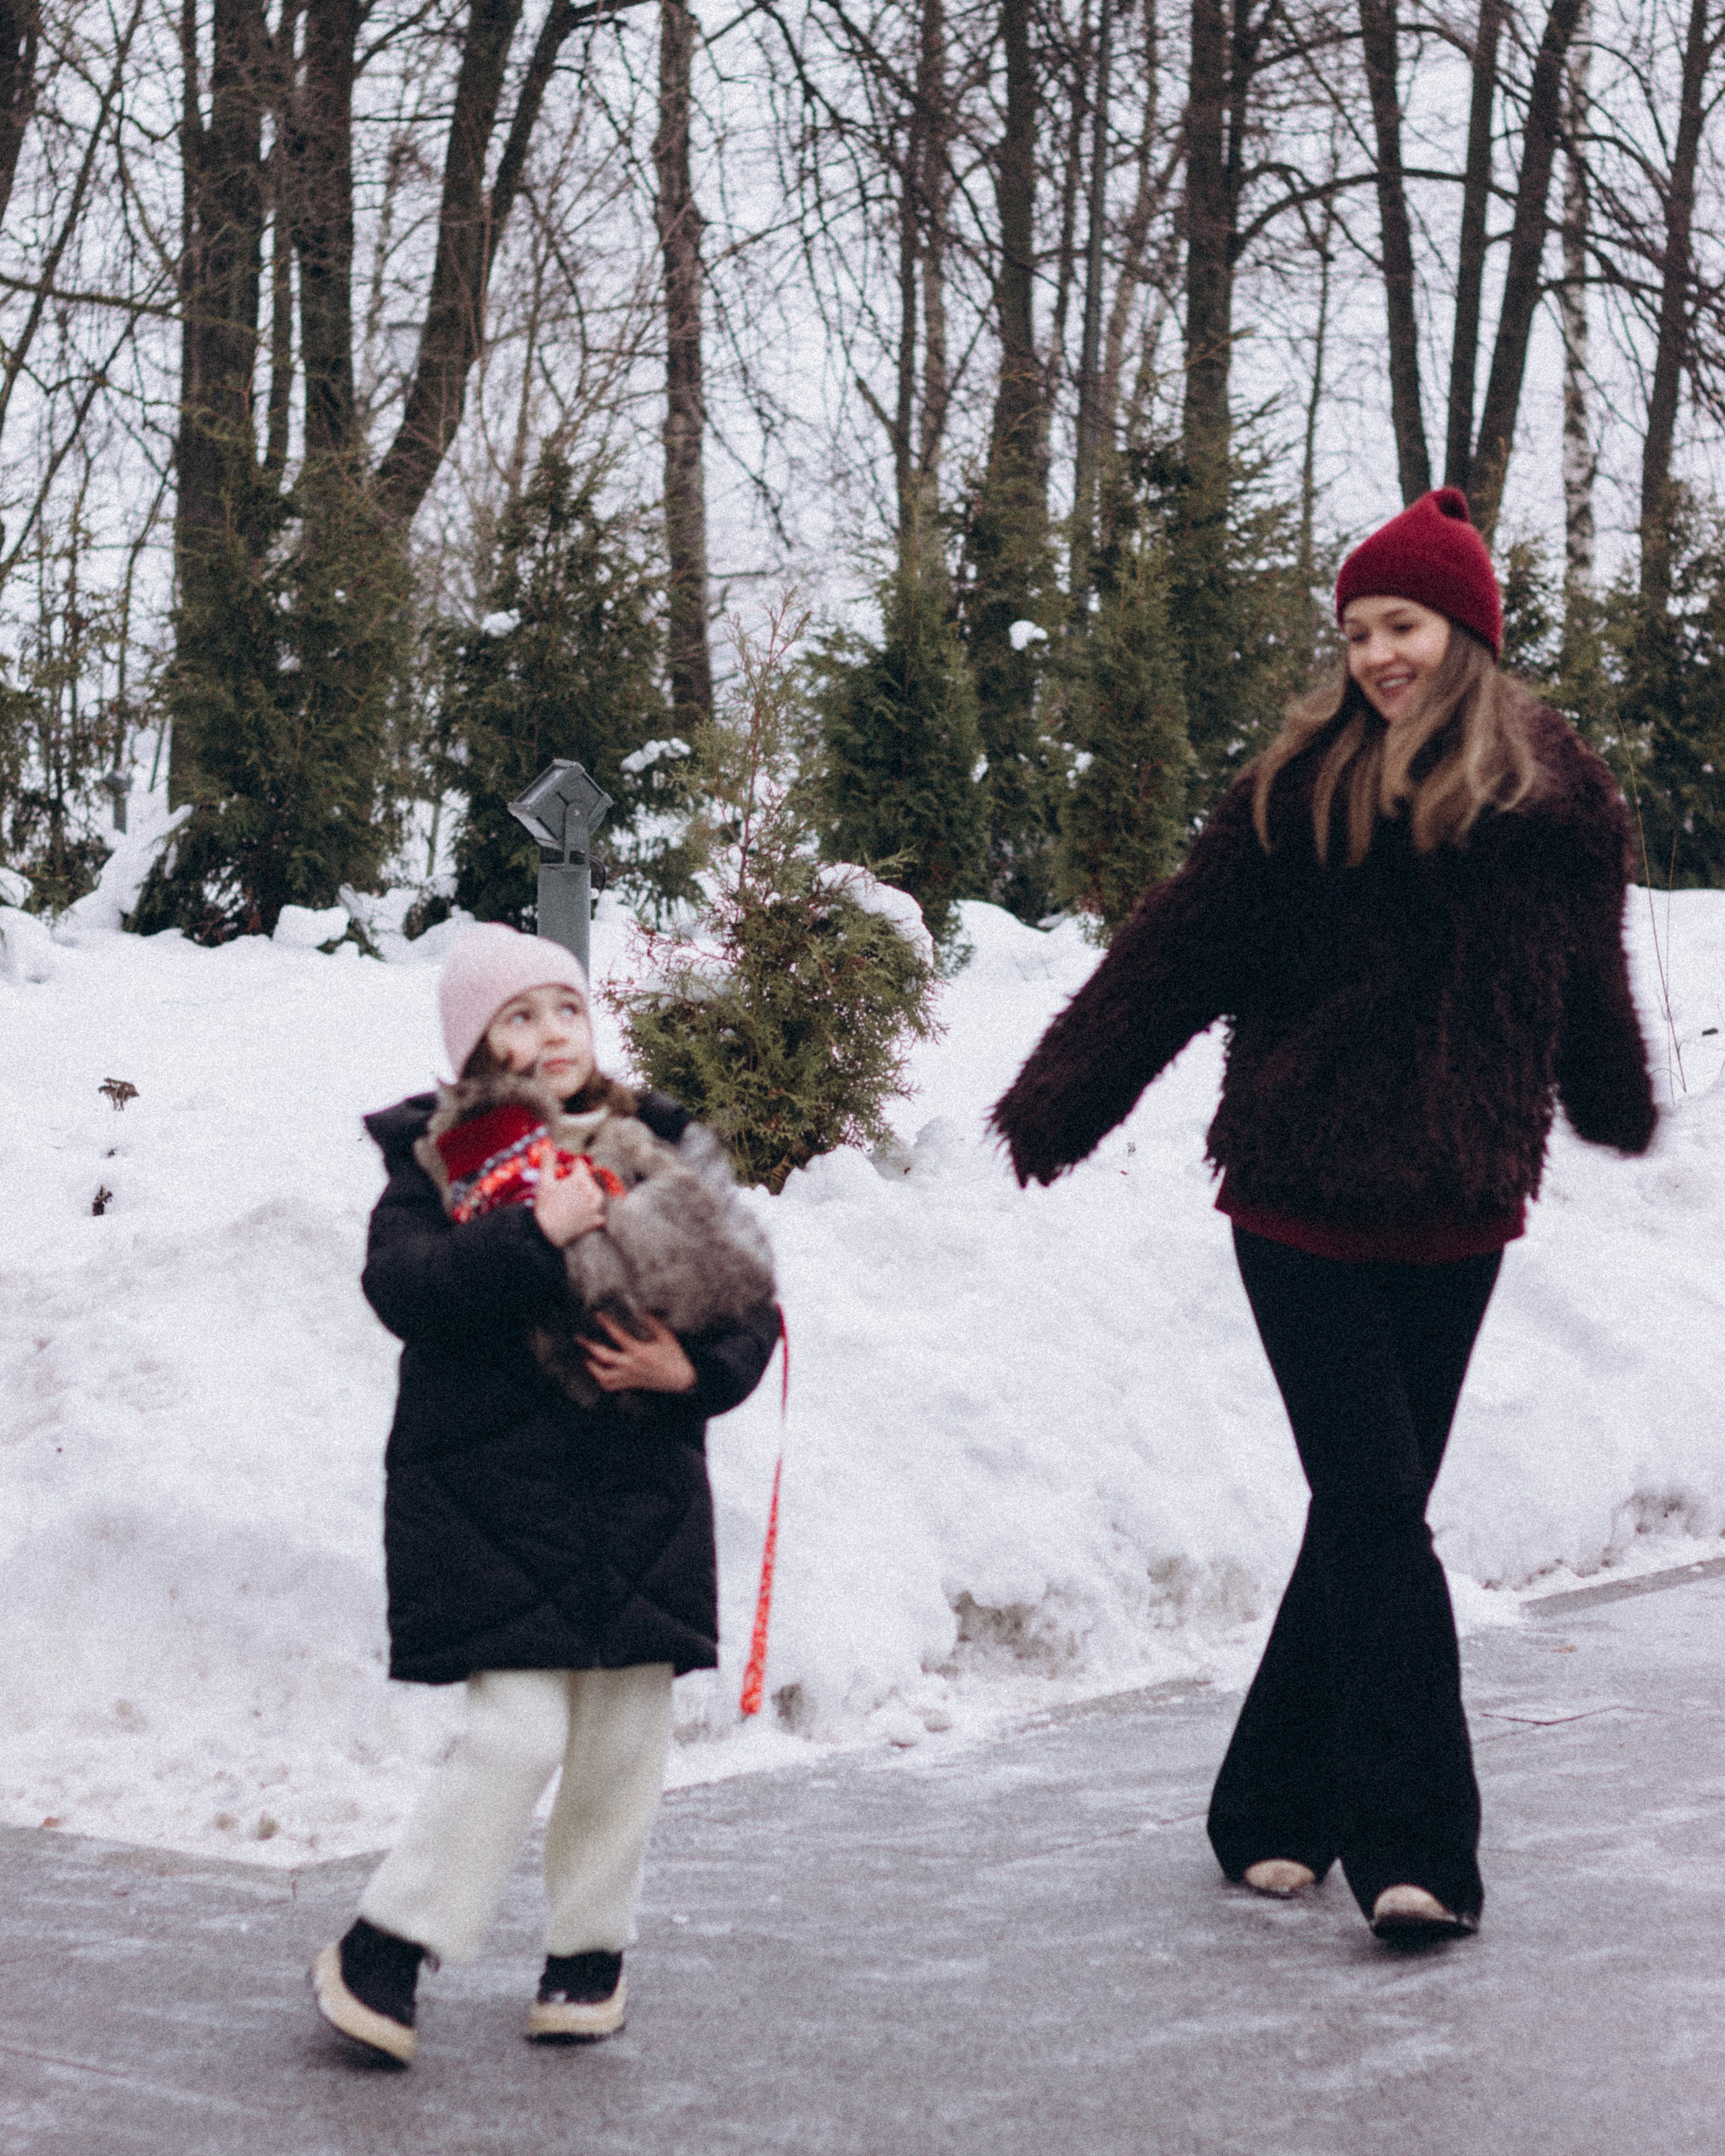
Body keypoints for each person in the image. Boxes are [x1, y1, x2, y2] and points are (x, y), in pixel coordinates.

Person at [990, 488, 1656, 1946]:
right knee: (1372, 1509)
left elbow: (1582, 974)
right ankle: (1416, 1849)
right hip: (1295, 1195)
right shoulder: (1293, 790)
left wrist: (1607, 1095)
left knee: (1370, 1510)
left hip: (1463, 1199)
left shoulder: (1556, 803)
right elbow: (1174, 950)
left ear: (1465, 632)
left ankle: (1268, 1804)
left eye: (1399, 625)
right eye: (1355, 630)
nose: (1374, 655)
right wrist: (1061, 1096)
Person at [312, 924, 782, 2064]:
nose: (549, 1035)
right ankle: (385, 1946)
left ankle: (588, 1956)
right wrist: (535, 1230)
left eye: (564, 1009)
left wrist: (694, 1376)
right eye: (517, 1018)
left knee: (624, 1743)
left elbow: (749, 1299)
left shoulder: (660, 1143)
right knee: (516, 1735)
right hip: (493, 1504)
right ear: (477, 1043)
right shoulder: (432, 1160)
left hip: (638, 1498)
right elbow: (408, 1288)